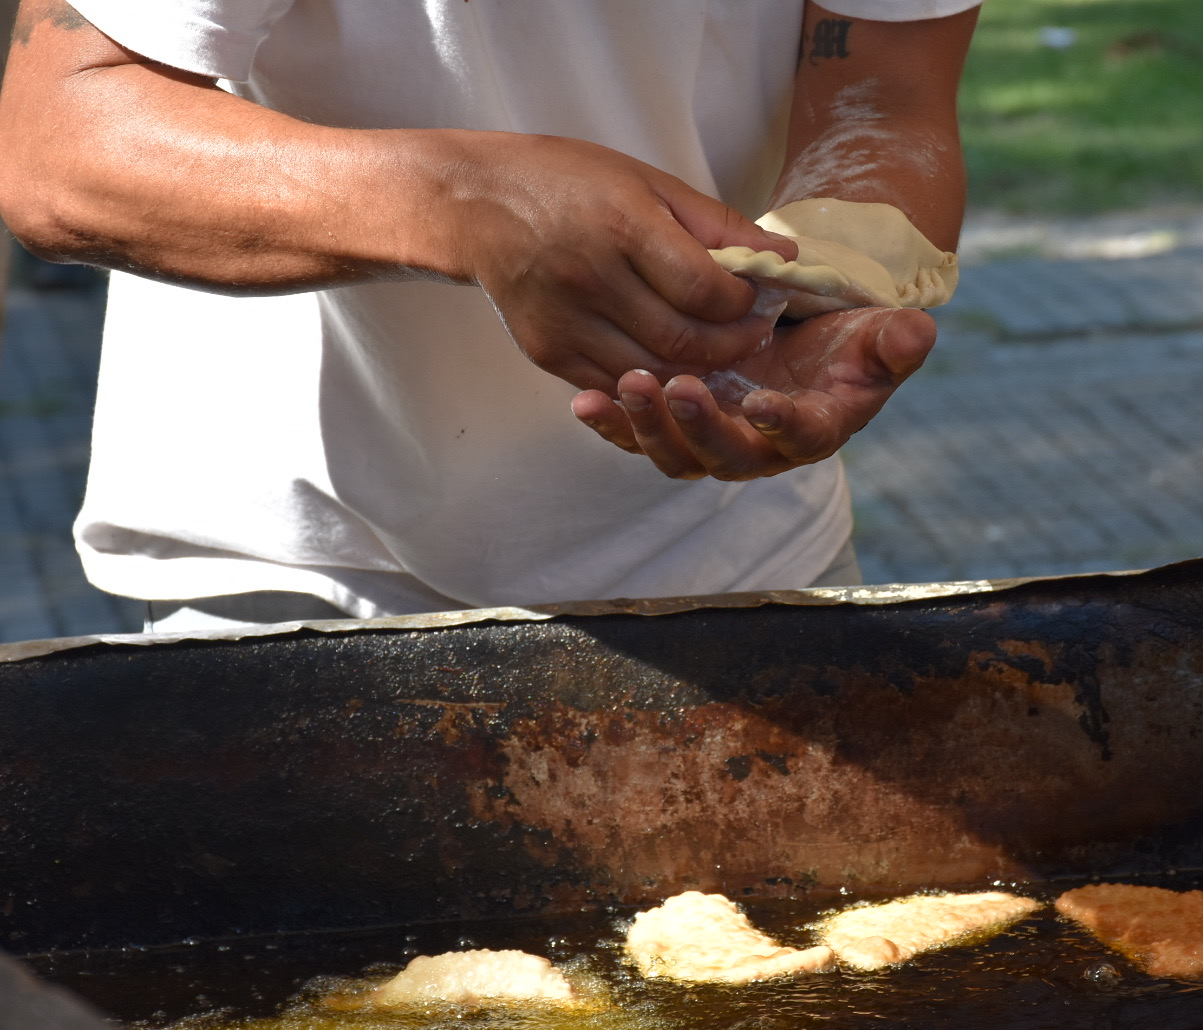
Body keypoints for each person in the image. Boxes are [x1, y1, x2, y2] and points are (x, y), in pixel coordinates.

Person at [0, 0, 978, 629]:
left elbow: (883, 87)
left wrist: (826, 293)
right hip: (293, 571)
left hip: (745, 558)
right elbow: (60, 147)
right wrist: (466, 204)